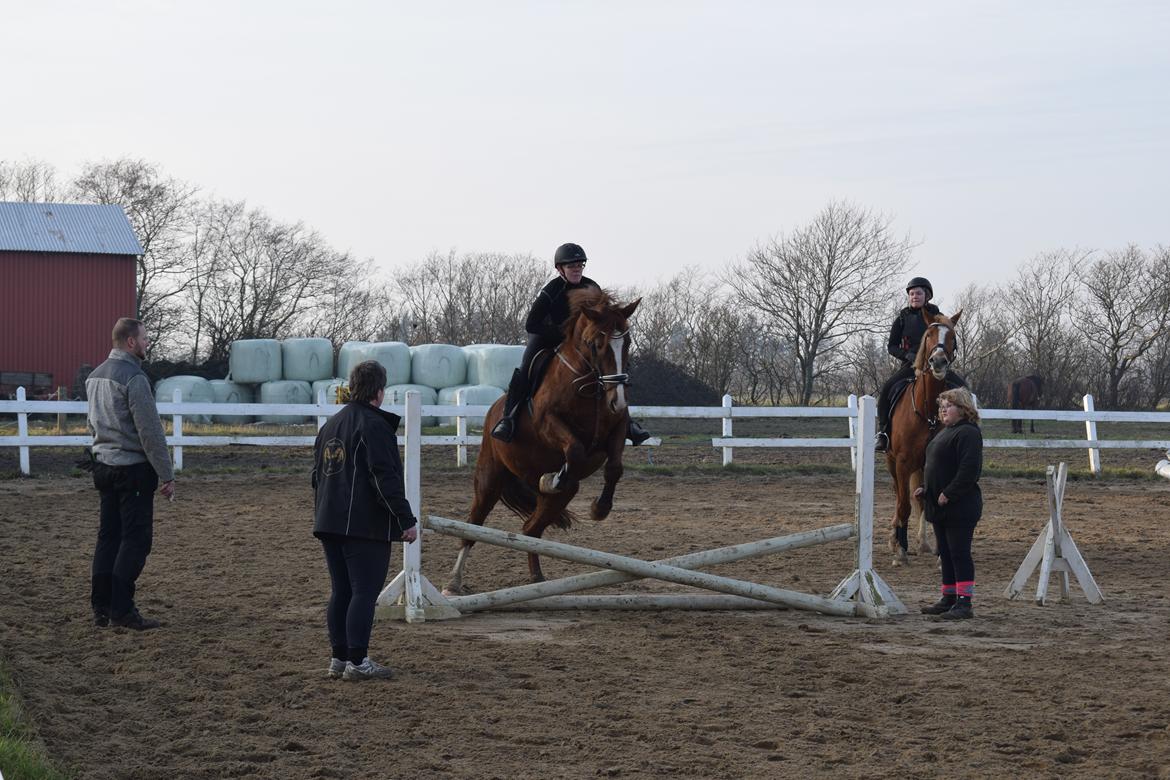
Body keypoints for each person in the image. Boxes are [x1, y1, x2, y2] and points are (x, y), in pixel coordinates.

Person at [312, 360, 419, 681]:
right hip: (362, 524)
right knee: (363, 592)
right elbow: (384, 477)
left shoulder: (330, 425)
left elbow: (317, 477)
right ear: (380, 390)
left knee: (340, 591)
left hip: (329, 520)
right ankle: (358, 661)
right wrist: (405, 518)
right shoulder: (374, 426)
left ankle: (339, 658)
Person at [490, 242, 651, 445]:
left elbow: (605, 319)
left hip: (582, 344)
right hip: (547, 338)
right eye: (571, 266)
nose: (576, 270)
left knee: (614, 370)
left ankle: (628, 423)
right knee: (525, 369)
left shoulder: (592, 287)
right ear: (560, 269)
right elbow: (531, 324)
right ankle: (509, 419)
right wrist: (560, 334)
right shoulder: (551, 290)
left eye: (579, 266)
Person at [86, 318, 176, 631]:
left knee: (108, 536)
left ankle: (101, 604)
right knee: (136, 540)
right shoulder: (135, 378)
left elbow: (92, 425)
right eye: (145, 339)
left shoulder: (95, 376)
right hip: (132, 470)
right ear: (130, 342)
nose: (147, 343)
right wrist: (166, 473)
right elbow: (150, 432)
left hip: (103, 466)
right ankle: (122, 610)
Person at [914, 388, 983, 620]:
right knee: (944, 552)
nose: (943, 409)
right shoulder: (944, 432)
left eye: (949, 405)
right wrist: (926, 487)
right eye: (941, 405)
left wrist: (950, 493)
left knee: (959, 553)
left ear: (963, 409)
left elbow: (969, 470)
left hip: (960, 506)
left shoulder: (969, 433)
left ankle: (965, 602)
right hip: (938, 505)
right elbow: (935, 465)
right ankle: (948, 597)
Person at [875, 277, 965, 451]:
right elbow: (891, 346)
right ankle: (884, 432)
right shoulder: (902, 318)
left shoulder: (938, 317)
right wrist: (906, 354)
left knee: (964, 388)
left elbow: (950, 339)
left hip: (937, 365)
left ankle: (969, 429)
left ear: (927, 296)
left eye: (918, 293)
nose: (914, 296)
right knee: (887, 388)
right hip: (910, 366)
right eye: (911, 293)